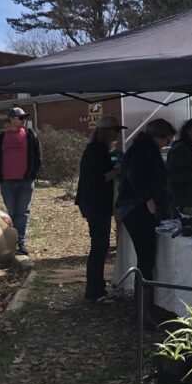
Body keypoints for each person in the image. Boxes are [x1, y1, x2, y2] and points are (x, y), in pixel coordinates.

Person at [116, 118, 175, 329]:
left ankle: (144, 310)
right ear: (159, 135)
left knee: (146, 258)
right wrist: (147, 198)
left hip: (133, 207)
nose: (165, 142)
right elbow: (135, 175)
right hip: (136, 208)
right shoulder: (145, 148)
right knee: (146, 258)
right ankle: (145, 313)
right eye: (166, 138)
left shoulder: (141, 146)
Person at [75, 115, 126, 303]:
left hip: (95, 203)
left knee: (100, 246)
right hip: (95, 204)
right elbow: (98, 178)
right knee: (99, 246)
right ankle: (94, 291)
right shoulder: (95, 151)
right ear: (105, 132)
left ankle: (97, 285)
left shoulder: (100, 149)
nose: (118, 133)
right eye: (115, 130)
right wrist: (117, 171)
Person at [0, 106, 42, 256]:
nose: (24, 120)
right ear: (11, 119)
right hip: (7, 182)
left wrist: (32, 175)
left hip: (26, 181)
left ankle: (21, 243)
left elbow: (38, 157)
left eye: (24, 117)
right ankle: (10, 243)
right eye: (21, 117)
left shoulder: (30, 135)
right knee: (11, 212)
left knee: (23, 212)